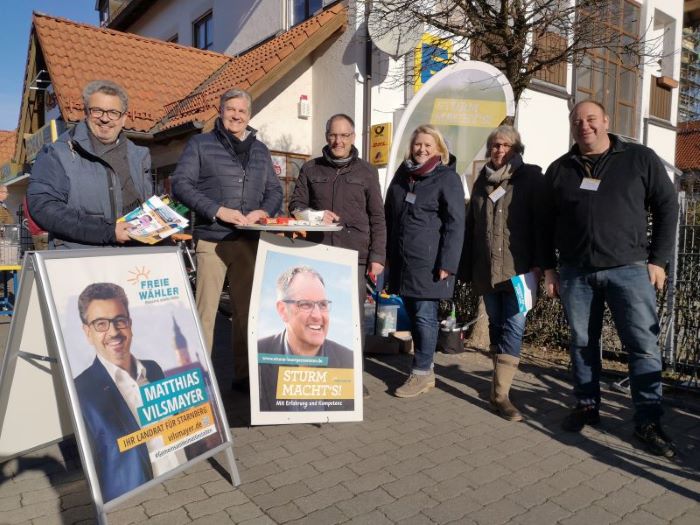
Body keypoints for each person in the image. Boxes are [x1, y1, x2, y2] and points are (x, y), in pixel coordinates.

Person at [542, 100, 679, 457]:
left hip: (630, 269)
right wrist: (549, 268)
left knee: (642, 347)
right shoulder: (560, 169)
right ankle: (587, 405)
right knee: (582, 344)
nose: (584, 125)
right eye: (577, 121)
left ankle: (647, 421)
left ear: (606, 121)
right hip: (575, 273)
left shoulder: (639, 159)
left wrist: (658, 260)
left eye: (590, 119)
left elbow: (667, 206)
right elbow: (544, 224)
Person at [172, 88, 283, 391]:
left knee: (247, 313)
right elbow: (180, 184)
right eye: (230, 109)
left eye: (242, 111)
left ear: (249, 115)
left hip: (248, 241)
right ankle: (200, 383)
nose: (236, 115)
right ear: (220, 111)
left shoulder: (260, 149)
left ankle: (244, 376)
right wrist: (216, 210)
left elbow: (275, 190)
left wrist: (264, 210)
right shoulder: (201, 144)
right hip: (212, 238)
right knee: (206, 313)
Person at [289, 113, 386, 396]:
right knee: (315, 317)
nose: (338, 141)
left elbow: (378, 217)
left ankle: (353, 377)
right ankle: (320, 375)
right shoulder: (311, 169)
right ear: (326, 136)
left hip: (354, 256)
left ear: (353, 137)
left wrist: (377, 256)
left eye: (344, 135)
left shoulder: (367, 172)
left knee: (351, 318)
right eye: (333, 135)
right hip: (318, 254)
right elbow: (295, 205)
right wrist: (316, 216)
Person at [461, 125, 544, 421]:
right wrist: (466, 267)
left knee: (514, 327)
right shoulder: (481, 181)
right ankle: (500, 387)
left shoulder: (530, 177)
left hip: (518, 270)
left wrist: (540, 262)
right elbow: (472, 226)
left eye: (506, 145)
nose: (499, 150)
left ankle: (500, 396)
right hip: (486, 269)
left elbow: (540, 223)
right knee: (496, 327)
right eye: (495, 145)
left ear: (516, 149)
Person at [74, 283, 183, 501]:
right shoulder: (81, 390)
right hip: (134, 497)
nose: (113, 332)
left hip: (179, 479)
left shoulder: (153, 368)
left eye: (119, 321)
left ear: (130, 324)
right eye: (101, 324)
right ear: (87, 332)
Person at [385, 124, 465, 398]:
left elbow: (456, 224)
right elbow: (389, 215)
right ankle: (423, 366)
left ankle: (422, 373)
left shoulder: (447, 179)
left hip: (430, 263)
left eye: (428, 145)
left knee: (424, 316)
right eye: (418, 144)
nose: (422, 149)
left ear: (439, 150)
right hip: (402, 260)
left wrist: (448, 262)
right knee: (415, 315)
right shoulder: (402, 175)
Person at [27, 80, 152, 248]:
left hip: (134, 262)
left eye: (113, 112)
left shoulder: (139, 156)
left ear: (124, 118)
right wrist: (107, 231)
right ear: (86, 113)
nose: (105, 118)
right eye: (97, 111)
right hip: (82, 261)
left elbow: (146, 206)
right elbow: (43, 207)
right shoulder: (58, 153)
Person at [258, 266, 353, 411]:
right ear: (283, 310)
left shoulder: (348, 359)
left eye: (322, 304)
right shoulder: (259, 354)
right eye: (306, 305)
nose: (317, 315)